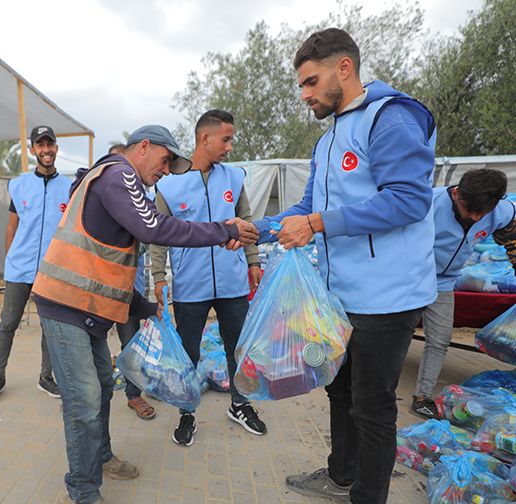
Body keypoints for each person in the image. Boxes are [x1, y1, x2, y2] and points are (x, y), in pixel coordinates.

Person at [31, 124, 260, 504]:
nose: (166, 170)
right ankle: (83, 489)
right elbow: (155, 227)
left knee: (103, 386)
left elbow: (110, 267)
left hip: (88, 308)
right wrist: (223, 229)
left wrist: (147, 308)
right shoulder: (118, 174)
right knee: (84, 398)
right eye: (165, 160)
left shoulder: (123, 185)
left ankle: (100, 456)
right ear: (144, 147)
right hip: (64, 304)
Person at [256, 29, 438, 504]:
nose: (305, 95)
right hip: (340, 298)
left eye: (311, 82)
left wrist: (317, 223)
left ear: (344, 68)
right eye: (301, 85)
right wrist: (258, 227)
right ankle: (341, 477)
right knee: (339, 393)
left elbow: (409, 200)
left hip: (386, 298)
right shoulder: (329, 140)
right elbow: (305, 205)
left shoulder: (391, 117)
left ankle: (367, 495)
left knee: (373, 408)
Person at [151, 109, 267, 445]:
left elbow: (245, 220)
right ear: (205, 138)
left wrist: (253, 261)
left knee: (238, 347)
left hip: (232, 282)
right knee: (189, 352)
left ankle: (240, 404)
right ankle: (187, 413)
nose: (230, 146)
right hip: (191, 285)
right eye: (226, 139)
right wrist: (159, 277)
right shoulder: (170, 186)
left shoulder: (233, 178)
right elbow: (158, 235)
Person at [412, 169, 516, 417]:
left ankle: (422, 396)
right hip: (412, 280)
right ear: (456, 192)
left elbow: (512, 240)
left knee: (439, 340)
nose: (475, 217)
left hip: (446, 283)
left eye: (482, 213)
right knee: (398, 335)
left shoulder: (502, 212)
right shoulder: (427, 204)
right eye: (469, 210)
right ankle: (377, 388)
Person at [0, 125, 70, 403]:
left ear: (56, 148)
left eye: (50, 144)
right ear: (32, 150)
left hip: (52, 270)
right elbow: (11, 227)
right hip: (20, 269)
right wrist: (11, 260)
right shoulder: (19, 185)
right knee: (8, 323)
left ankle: (46, 377)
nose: (46, 150)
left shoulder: (70, 187)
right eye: (40, 145)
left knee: (50, 326)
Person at [107, 143, 155, 421]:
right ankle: (88, 395)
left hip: (130, 291)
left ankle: (133, 395)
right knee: (93, 346)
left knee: (131, 342)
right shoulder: (97, 199)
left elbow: (151, 240)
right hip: (97, 291)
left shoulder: (142, 203)